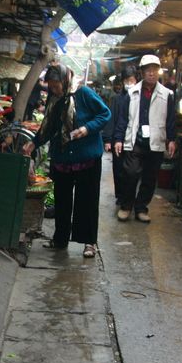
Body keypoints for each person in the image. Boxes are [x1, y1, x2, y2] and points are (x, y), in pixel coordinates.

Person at [22, 63, 110, 258]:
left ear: (65, 80)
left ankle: (89, 242)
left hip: (86, 157)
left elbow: (105, 114)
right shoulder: (55, 99)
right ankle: (60, 239)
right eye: (51, 87)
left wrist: (86, 129)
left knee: (86, 202)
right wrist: (33, 143)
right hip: (62, 158)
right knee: (62, 201)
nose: (53, 90)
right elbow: (49, 127)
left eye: (56, 86)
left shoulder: (84, 93)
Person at [112, 54, 176, 223]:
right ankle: (126, 206)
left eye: (155, 70)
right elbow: (123, 118)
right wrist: (118, 139)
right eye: (148, 70)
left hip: (156, 140)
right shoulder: (131, 93)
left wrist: (171, 139)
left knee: (150, 177)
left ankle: (141, 208)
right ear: (142, 72)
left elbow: (171, 119)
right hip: (135, 140)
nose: (152, 73)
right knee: (130, 173)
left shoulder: (166, 94)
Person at [103, 66, 137, 206]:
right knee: (118, 169)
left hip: (132, 140)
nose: (130, 83)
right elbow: (111, 119)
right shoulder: (117, 99)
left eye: (133, 80)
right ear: (123, 82)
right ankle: (120, 195)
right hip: (118, 138)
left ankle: (129, 196)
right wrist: (108, 139)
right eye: (128, 80)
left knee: (131, 171)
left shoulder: (138, 98)